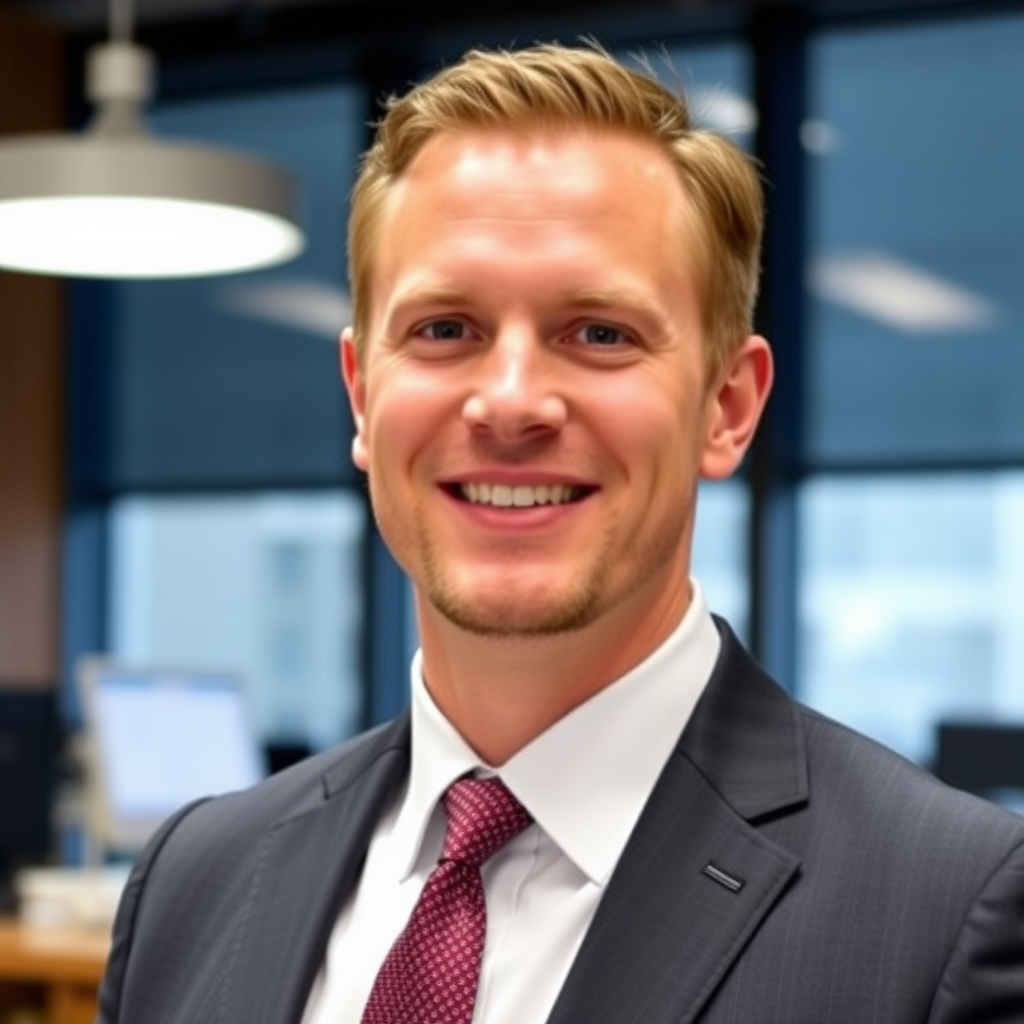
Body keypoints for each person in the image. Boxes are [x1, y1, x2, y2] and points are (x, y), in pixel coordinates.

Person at [97, 42, 1024, 1024]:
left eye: (599, 333)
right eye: (444, 329)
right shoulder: (192, 882)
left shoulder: (950, 912)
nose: (509, 403)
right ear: (363, 398)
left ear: (726, 406)